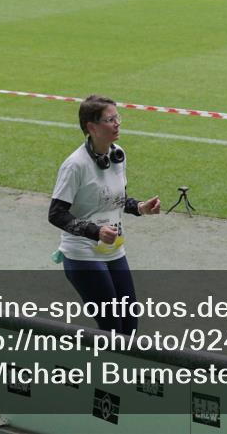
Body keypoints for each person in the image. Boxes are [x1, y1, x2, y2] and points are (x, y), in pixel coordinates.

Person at [48, 94, 160, 333]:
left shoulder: (117, 155)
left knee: (129, 324)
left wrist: (140, 207)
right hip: (82, 253)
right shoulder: (75, 165)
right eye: (110, 120)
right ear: (92, 127)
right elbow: (56, 213)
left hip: (113, 249)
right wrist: (95, 231)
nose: (117, 124)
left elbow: (116, 200)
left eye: (117, 117)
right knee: (111, 327)